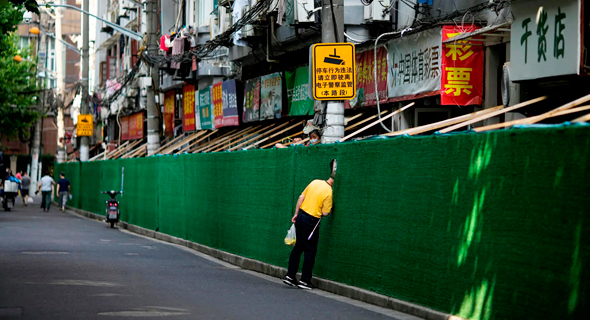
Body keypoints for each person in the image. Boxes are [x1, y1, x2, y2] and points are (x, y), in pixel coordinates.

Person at [283, 174, 334, 290]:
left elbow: (301, 197)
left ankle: (290, 276)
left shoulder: (315, 182)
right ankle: (305, 280)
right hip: (312, 221)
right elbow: (325, 213)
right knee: (310, 251)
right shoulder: (329, 192)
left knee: (297, 248)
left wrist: (296, 214)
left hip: (301, 216)